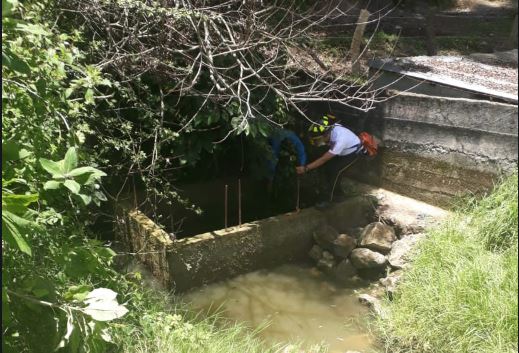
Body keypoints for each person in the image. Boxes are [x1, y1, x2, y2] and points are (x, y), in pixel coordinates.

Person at [296, 114, 365, 207]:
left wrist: (306, 168)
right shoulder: (330, 129)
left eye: (318, 139)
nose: (317, 142)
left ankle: (328, 200)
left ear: (326, 134)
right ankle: (339, 194)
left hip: (352, 153)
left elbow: (323, 159)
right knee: (327, 169)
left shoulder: (340, 139)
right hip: (342, 152)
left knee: (335, 172)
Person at [266, 128, 307, 193]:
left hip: (283, 142)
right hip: (275, 140)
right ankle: (269, 183)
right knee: (273, 159)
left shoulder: (293, 138)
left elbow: (301, 150)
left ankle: (270, 183)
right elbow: (273, 158)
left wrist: (302, 165)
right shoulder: (277, 139)